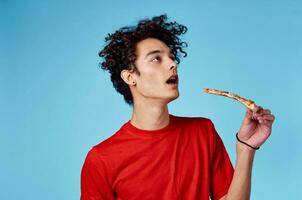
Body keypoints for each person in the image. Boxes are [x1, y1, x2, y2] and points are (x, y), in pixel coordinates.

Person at [80, 14, 275, 200]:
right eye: (156, 58)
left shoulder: (203, 132)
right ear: (130, 77)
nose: (172, 63)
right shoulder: (101, 159)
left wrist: (246, 148)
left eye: (172, 57)